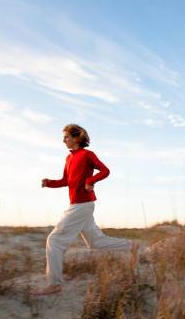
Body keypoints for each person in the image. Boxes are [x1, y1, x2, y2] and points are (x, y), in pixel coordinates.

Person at [31, 124, 133, 296]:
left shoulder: (87, 154)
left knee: (54, 240)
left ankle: (54, 284)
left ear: (77, 138)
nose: (63, 140)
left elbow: (105, 170)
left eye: (66, 137)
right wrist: (49, 183)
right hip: (79, 205)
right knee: (96, 242)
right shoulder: (68, 158)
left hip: (82, 204)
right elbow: (65, 181)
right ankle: (132, 246)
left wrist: (91, 180)